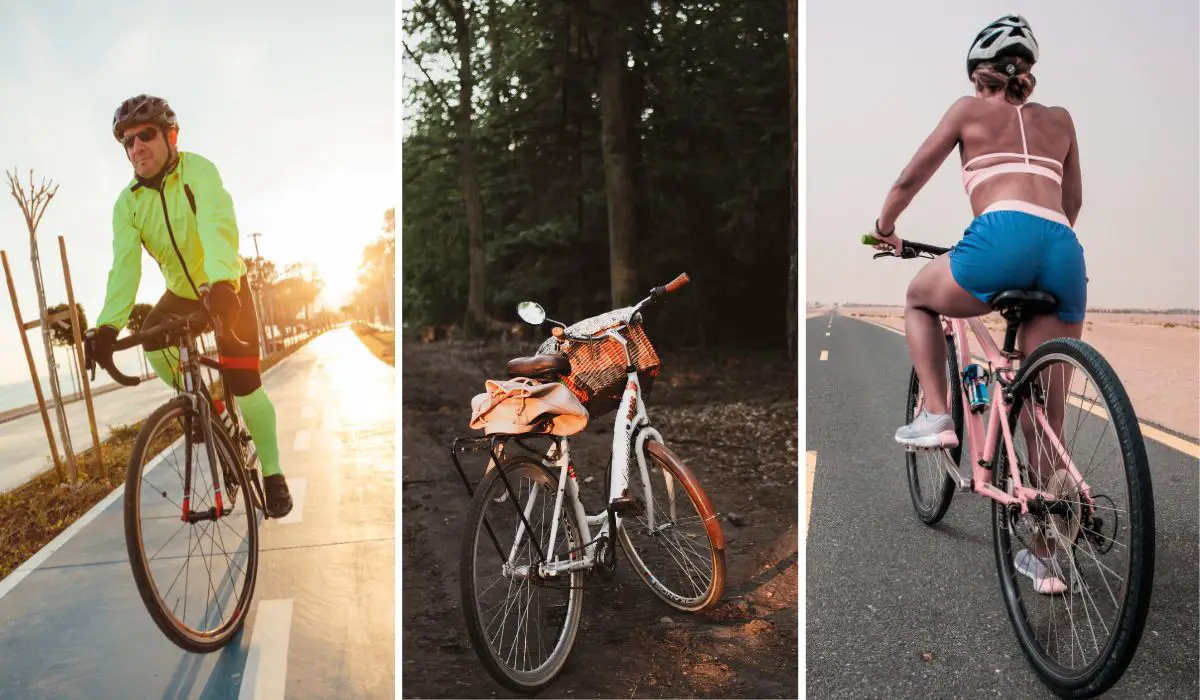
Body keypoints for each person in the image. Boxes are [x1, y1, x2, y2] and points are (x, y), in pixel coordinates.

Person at [868, 16, 1086, 593]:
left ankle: (937, 413)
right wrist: (1043, 250)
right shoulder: (1060, 120)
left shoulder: (967, 108)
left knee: (918, 294)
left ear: (977, 72)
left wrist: (887, 225)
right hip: (1063, 249)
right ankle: (1046, 558)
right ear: (1027, 73)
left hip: (998, 238)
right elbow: (1073, 201)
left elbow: (912, 174)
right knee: (1048, 417)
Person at [89, 94, 293, 518]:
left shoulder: (197, 171)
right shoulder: (126, 204)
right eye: (127, 142)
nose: (136, 147)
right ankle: (206, 410)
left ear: (171, 136)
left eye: (145, 135)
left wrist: (221, 283)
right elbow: (124, 267)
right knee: (152, 344)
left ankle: (273, 474)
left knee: (244, 381)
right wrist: (107, 326)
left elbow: (216, 224)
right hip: (182, 291)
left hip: (224, 283)